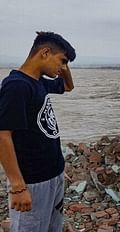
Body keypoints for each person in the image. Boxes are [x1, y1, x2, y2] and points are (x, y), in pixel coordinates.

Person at [0, 31, 76, 231]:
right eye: (61, 61)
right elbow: (3, 135)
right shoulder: (17, 86)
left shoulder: (39, 81)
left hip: (54, 173)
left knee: (53, 227)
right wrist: (18, 187)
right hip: (33, 181)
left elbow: (68, 87)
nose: (62, 67)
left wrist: (65, 63)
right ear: (45, 53)